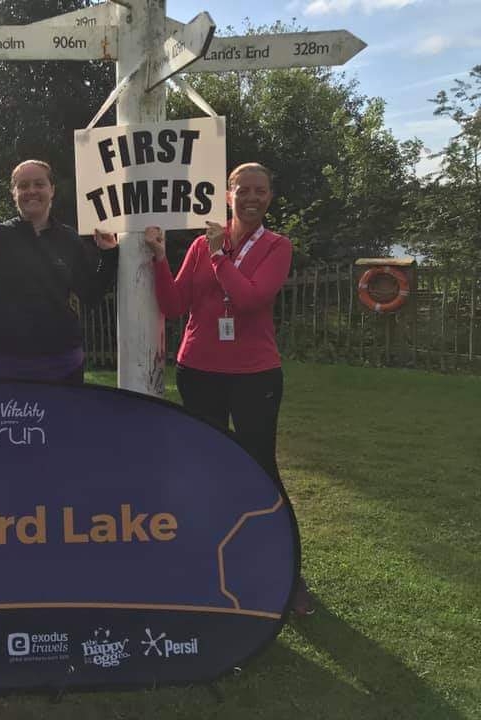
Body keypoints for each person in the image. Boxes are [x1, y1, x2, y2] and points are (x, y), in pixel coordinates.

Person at [144, 162, 314, 616]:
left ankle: (287, 571)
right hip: (199, 370)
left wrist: (221, 256)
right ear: (228, 194)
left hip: (254, 375)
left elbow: (251, 298)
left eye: (261, 191)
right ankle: (213, 563)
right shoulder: (201, 244)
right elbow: (174, 303)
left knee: (261, 470)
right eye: (244, 190)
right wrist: (161, 257)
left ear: (270, 198)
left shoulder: (277, 246)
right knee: (209, 470)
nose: (252, 198)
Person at [0, 160, 118, 383]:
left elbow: (91, 294)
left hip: (64, 364)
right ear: (14, 192)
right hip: (9, 364)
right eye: (23, 186)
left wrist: (109, 255)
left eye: (39, 184)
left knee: (65, 420)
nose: (31, 191)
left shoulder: (69, 239)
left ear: (52, 190)